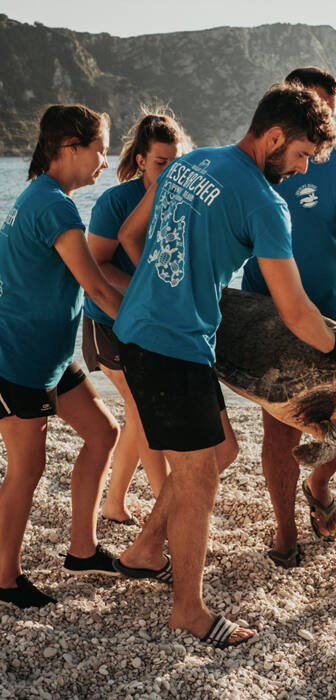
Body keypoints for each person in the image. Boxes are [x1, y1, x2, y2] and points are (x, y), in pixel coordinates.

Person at [111, 82, 336, 648]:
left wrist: (165, 286)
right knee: (199, 478)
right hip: (172, 346)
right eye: (299, 156)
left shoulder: (192, 161)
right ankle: (190, 611)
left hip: (146, 331)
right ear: (273, 138)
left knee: (222, 451)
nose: (300, 171)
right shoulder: (266, 205)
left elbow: (131, 235)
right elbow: (296, 312)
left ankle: (146, 549)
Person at [241, 66, 336, 565]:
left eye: (330, 118)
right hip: (272, 316)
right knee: (281, 428)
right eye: (315, 114)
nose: (322, 129)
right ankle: (285, 533)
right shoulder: (263, 158)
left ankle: (319, 482)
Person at [0, 104, 124, 609]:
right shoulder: (54, 205)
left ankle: (82, 549)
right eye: (98, 148)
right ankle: (4, 580)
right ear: (68, 148)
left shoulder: (35, 197)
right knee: (26, 471)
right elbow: (93, 283)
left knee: (103, 433)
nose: (105, 159)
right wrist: (146, 330)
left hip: (51, 357)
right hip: (21, 360)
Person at [83, 109, 193, 524]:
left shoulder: (182, 202)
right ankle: (166, 506)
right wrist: (149, 290)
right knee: (142, 408)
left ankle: (113, 505)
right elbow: (97, 266)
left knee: (138, 413)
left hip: (153, 324)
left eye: (176, 163)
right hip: (107, 318)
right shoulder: (117, 201)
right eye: (161, 163)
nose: (169, 172)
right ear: (142, 160)